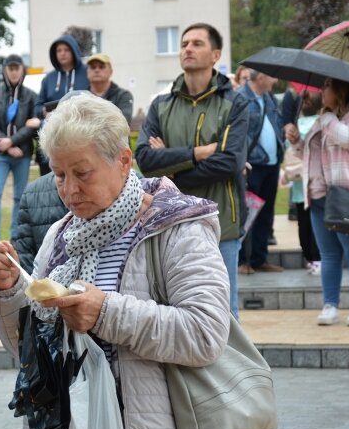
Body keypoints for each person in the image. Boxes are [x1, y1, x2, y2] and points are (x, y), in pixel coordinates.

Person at [0, 94, 230, 429]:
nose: (69, 190)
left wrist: (106, 312)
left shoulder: (175, 228)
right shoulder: (60, 236)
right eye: (58, 174)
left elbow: (205, 334)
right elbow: (28, 352)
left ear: (123, 160)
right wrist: (9, 292)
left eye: (82, 173)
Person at [136, 22, 249, 319]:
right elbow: (145, 160)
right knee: (173, 309)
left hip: (221, 221)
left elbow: (230, 162)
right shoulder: (161, 105)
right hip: (168, 222)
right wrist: (199, 153)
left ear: (215, 55)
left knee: (224, 312)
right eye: (184, 43)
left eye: (197, 43)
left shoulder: (234, 103)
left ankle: (232, 368)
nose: (187, 48)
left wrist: (171, 169)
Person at [286, 78, 349, 327]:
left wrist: (327, 119)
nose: (321, 92)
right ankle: (331, 304)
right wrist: (295, 141)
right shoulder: (324, 118)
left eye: (326, 87)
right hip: (319, 194)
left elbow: (347, 138)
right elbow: (309, 152)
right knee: (329, 254)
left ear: (341, 89)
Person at [0, 54, 37, 245]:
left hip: (22, 154)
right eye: (10, 68)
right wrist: (5, 146)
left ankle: (16, 236)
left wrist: (13, 141)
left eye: (17, 68)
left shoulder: (31, 96)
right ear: (5, 70)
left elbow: (33, 125)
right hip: (0, 154)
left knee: (19, 197)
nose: (14, 72)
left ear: (22, 70)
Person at [237, 69, 285, 274]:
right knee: (248, 214)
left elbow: (276, 125)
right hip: (252, 165)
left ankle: (259, 258)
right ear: (260, 77)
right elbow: (238, 132)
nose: (275, 79)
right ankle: (243, 261)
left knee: (266, 214)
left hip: (271, 164)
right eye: (271, 76)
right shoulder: (241, 98)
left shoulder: (270, 99)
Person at [281, 90, 321, 275]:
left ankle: (308, 257)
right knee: (318, 224)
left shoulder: (296, 128)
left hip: (298, 188)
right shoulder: (320, 126)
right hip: (317, 186)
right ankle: (318, 257)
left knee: (303, 224)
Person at [12, 171, 69, 275]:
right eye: (61, 175)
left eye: (82, 173)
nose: (70, 188)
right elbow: (26, 256)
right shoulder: (32, 193)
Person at [33, 34, 89, 119]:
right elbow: (37, 107)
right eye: (59, 50)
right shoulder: (48, 78)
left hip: (82, 124)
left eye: (66, 50)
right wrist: (44, 111)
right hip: (55, 126)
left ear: (74, 51)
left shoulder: (88, 73)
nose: (62, 53)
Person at [85, 53, 134, 124]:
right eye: (93, 67)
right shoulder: (80, 97)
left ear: (111, 72)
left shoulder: (123, 95)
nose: (97, 70)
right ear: (87, 72)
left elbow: (122, 122)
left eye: (101, 67)